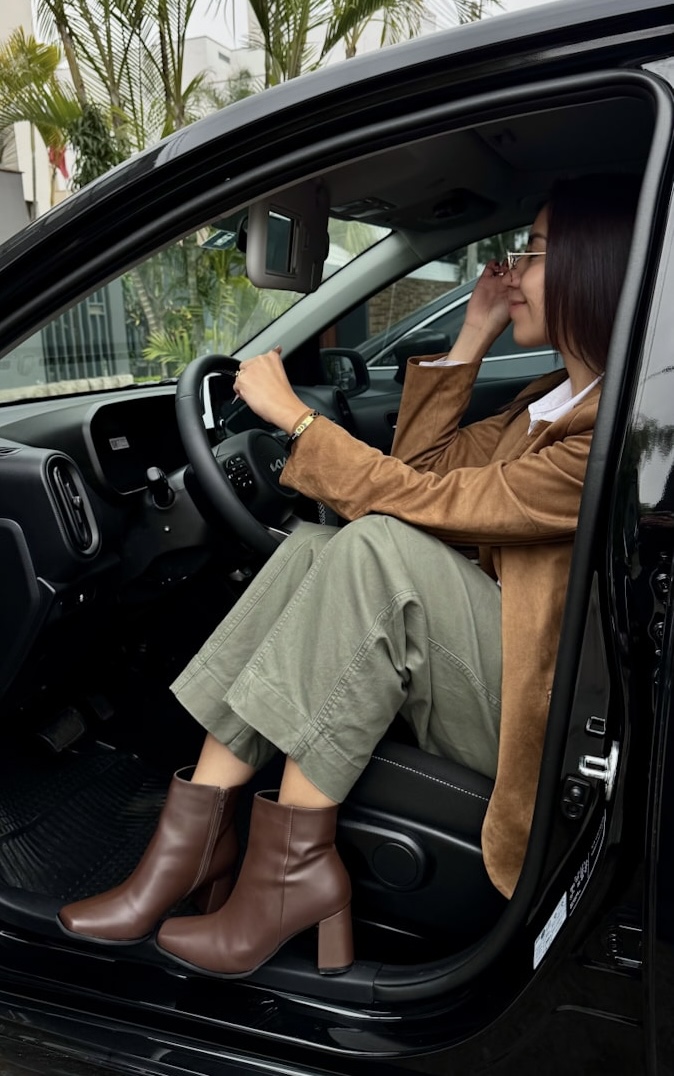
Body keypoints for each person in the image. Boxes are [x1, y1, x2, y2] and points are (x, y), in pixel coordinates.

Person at [58, 173, 640, 979]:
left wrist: (297, 420)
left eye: (533, 251)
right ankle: (189, 845)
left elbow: (426, 505)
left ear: (590, 267)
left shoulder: (604, 433)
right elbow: (420, 470)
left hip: (537, 707)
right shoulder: (551, 398)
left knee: (374, 549)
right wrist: (471, 336)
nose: (512, 270)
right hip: (493, 662)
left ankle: (288, 878)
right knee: (312, 548)